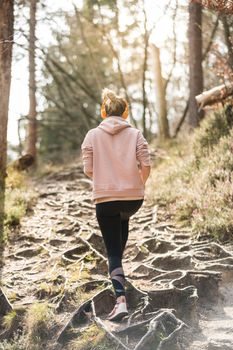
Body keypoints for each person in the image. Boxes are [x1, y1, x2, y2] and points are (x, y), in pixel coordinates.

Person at [81, 88, 151, 321]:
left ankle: (120, 300)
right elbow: (146, 165)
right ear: (125, 112)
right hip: (133, 199)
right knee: (122, 225)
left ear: (103, 112)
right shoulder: (136, 134)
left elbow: (88, 169)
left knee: (112, 250)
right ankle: (118, 275)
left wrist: (106, 183)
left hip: (106, 200)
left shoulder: (92, 135)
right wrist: (136, 184)